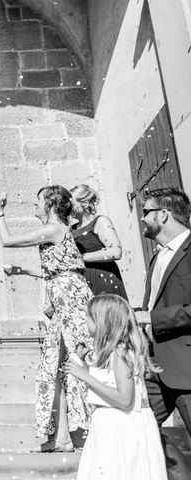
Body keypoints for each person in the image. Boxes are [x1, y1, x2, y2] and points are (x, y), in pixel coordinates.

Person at [0, 186, 94, 451]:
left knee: (79, 360)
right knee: (56, 368)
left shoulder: (55, 228)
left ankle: (94, 428)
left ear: (49, 204)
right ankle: (62, 438)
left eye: (38, 202)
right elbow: (58, 269)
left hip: (72, 302)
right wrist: (24, 271)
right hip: (64, 302)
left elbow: (8, 241)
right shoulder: (57, 232)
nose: (34, 207)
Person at [65, 294, 166, 480]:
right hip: (111, 426)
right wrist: (84, 365)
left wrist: (85, 376)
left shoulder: (121, 354)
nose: (84, 320)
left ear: (103, 322)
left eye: (88, 316)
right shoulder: (114, 352)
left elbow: (125, 399)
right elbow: (109, 383)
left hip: (122, 430)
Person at [135, 187, 191, 480]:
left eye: (145, 213)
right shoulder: (157, 258)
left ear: (163, 214)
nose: (142, 220)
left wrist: (151, 317)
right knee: (133, 428)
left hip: (186, 367)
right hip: (154, 368)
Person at [70, 184, 128, 299]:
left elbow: (115, 252)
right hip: (83, 283)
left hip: (102, 280)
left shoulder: (100, 221)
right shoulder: (72, 228)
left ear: (85, 203)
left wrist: (82, 257)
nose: (68, 208)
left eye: (71, 204)